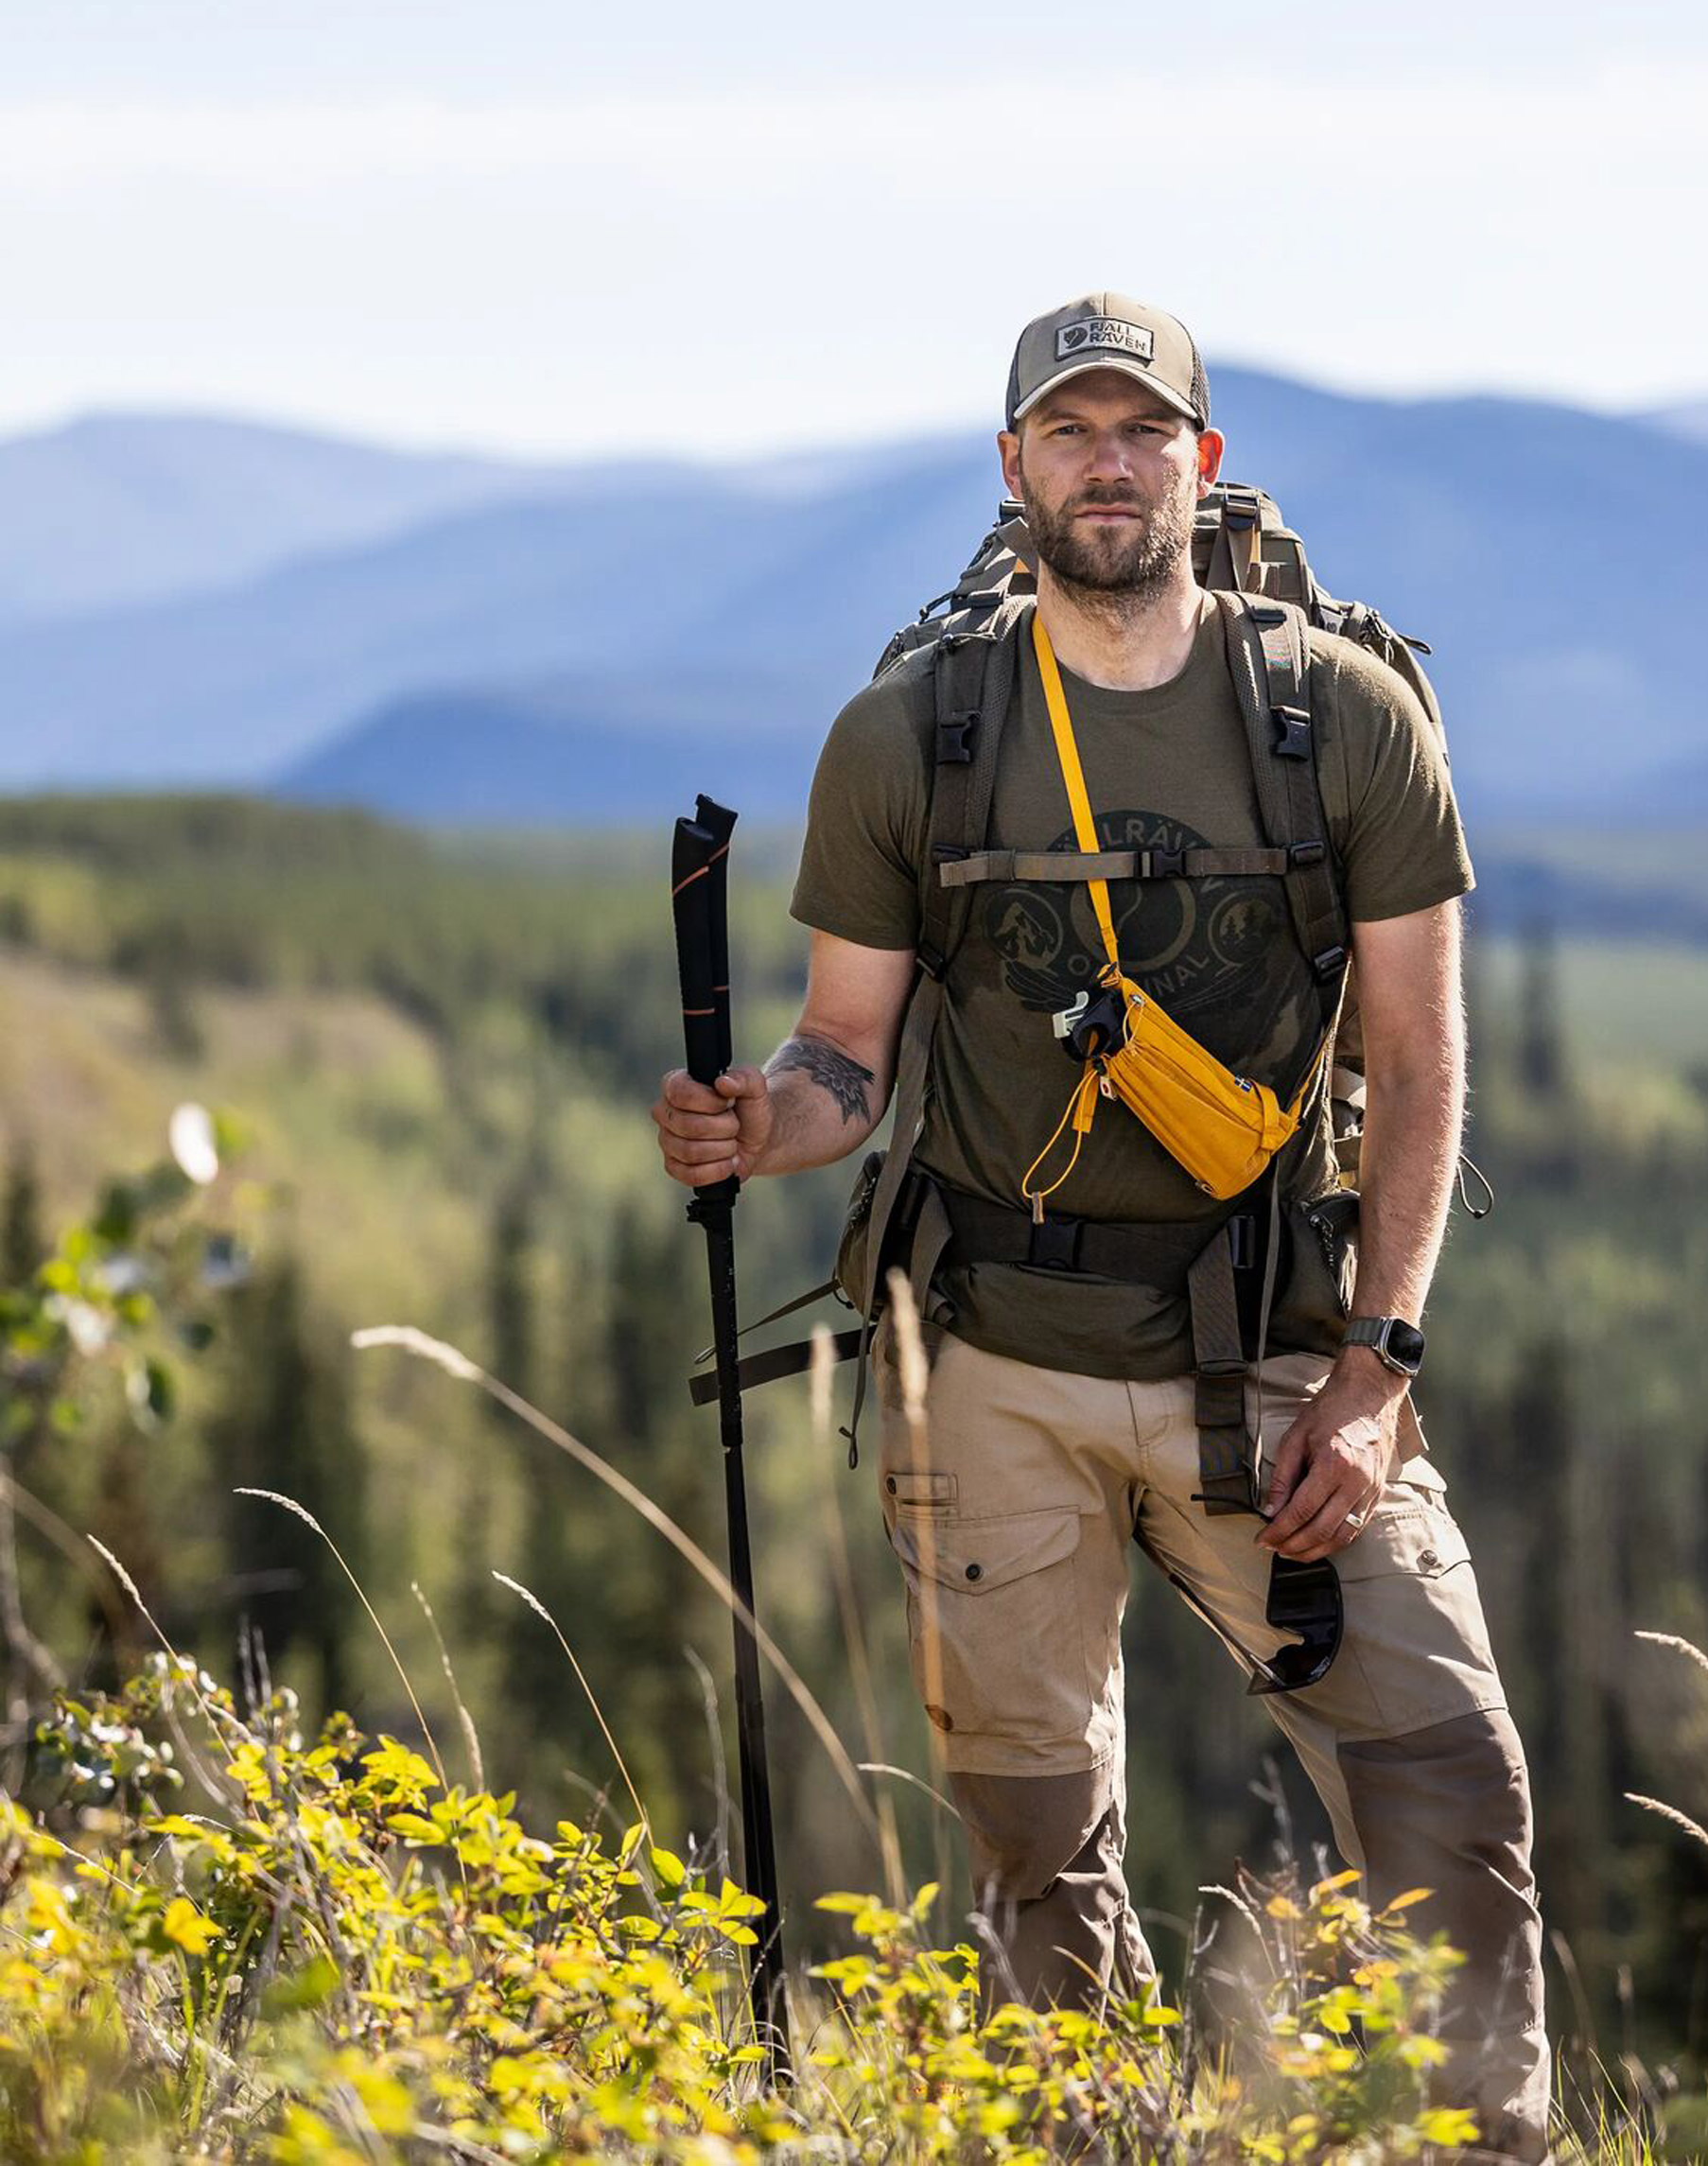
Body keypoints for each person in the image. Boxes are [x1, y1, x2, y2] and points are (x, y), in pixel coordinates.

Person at [653, 292, 1552, 2158]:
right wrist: (762, 1130)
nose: (1108, 462)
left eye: (1142, 429)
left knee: (1452, 1787)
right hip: (993, 1363)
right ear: (1015, 471)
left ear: (1202, 465)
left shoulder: (1342, 723)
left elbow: (1422, 1063)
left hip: (1293, 1352)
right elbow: (844, 1056)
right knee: (1034, 1858)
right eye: (1069, 432)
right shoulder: (914, 736)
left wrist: (1379, 1370)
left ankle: (1499, 2142)